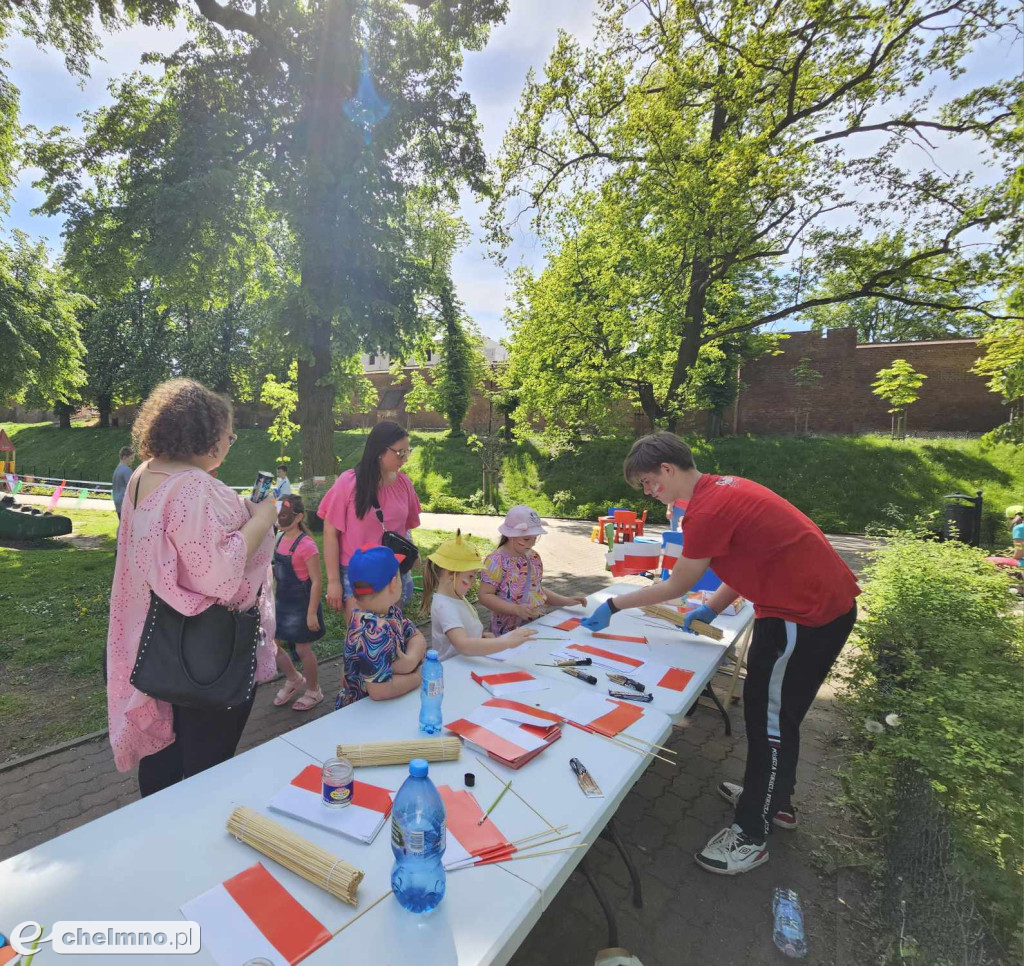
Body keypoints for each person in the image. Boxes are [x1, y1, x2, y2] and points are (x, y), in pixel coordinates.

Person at [581, 432, 860, 876]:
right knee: (778, 717)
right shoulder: (723, 488)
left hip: (803, 615)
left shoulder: (706, 510)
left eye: (650, 484)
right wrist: (711, 608)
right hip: (811, 608)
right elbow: (745, 558)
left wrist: (612, 605)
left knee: (767, 721)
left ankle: (751, 834)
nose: (651, 495)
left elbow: (676, 584)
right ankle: (771, 800)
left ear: (668, 471)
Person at [106, 379, 279, 797]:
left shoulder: (145, 475)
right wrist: (261, 518)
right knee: (206, 768)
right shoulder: (195, 487)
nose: (230, 442)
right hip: (207, 653)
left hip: (154, 638)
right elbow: (219, 575)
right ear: (207, 434)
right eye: (229, 435)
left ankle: (158, 835)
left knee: (163, 756)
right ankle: (196, 846)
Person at [318, 421, 421, 618]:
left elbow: (405, 528)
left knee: (391, 633)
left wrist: (413, 554)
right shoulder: (348, 483)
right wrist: (333, 581)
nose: (405, 459)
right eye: (400, 453)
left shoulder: (404, 484)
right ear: (380, 451)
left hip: (393, 573)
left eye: (408, 451)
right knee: (361, 639)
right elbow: (330, 531)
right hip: (358, 575)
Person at [421, 530, 538, 660]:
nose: (473, 582)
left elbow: (465, 631)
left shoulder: (457, 596)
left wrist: (481, 637)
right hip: (452, 670)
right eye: (470, 576)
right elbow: (463, 645)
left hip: (466, 662)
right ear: (450, 574)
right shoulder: (444, 606)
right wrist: (506, 642)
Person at [478, 504, 587, 635]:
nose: (532, 543)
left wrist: (566, 601)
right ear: (510, 535)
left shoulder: (533, 557)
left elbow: (535, 590)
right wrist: (515, 609)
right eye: (526, 539)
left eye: (535, 538)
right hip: (506, 633)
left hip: (536, 626)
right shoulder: (496, 561)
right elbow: (485, 596)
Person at [337, 546, 426, 707]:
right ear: (393, 584)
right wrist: (419, 676)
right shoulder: (373, 630)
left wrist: (410, 662)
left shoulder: (390, 612)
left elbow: (416, 636)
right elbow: (380, 691)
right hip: (364, 715)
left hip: (385, 708)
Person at [271, 494, 326, 711]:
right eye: (277, 514)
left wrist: (311, 612)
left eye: (284, 515)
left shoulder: (306, 545)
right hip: (281, 601)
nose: (279, 519)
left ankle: (314, 690)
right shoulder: (278, 538)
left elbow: (317, 581)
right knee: (270, 646)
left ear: (298, 517)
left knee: (303, 649)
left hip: (302, 605)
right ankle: (294, 678)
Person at [111, 446, 135, 519]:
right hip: (125, 504)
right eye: (131, 458)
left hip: (117, 502)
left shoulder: (117, 469)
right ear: (124, 457)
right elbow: (133, 488)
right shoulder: (126, 470)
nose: (132, 460)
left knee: (122, 526)